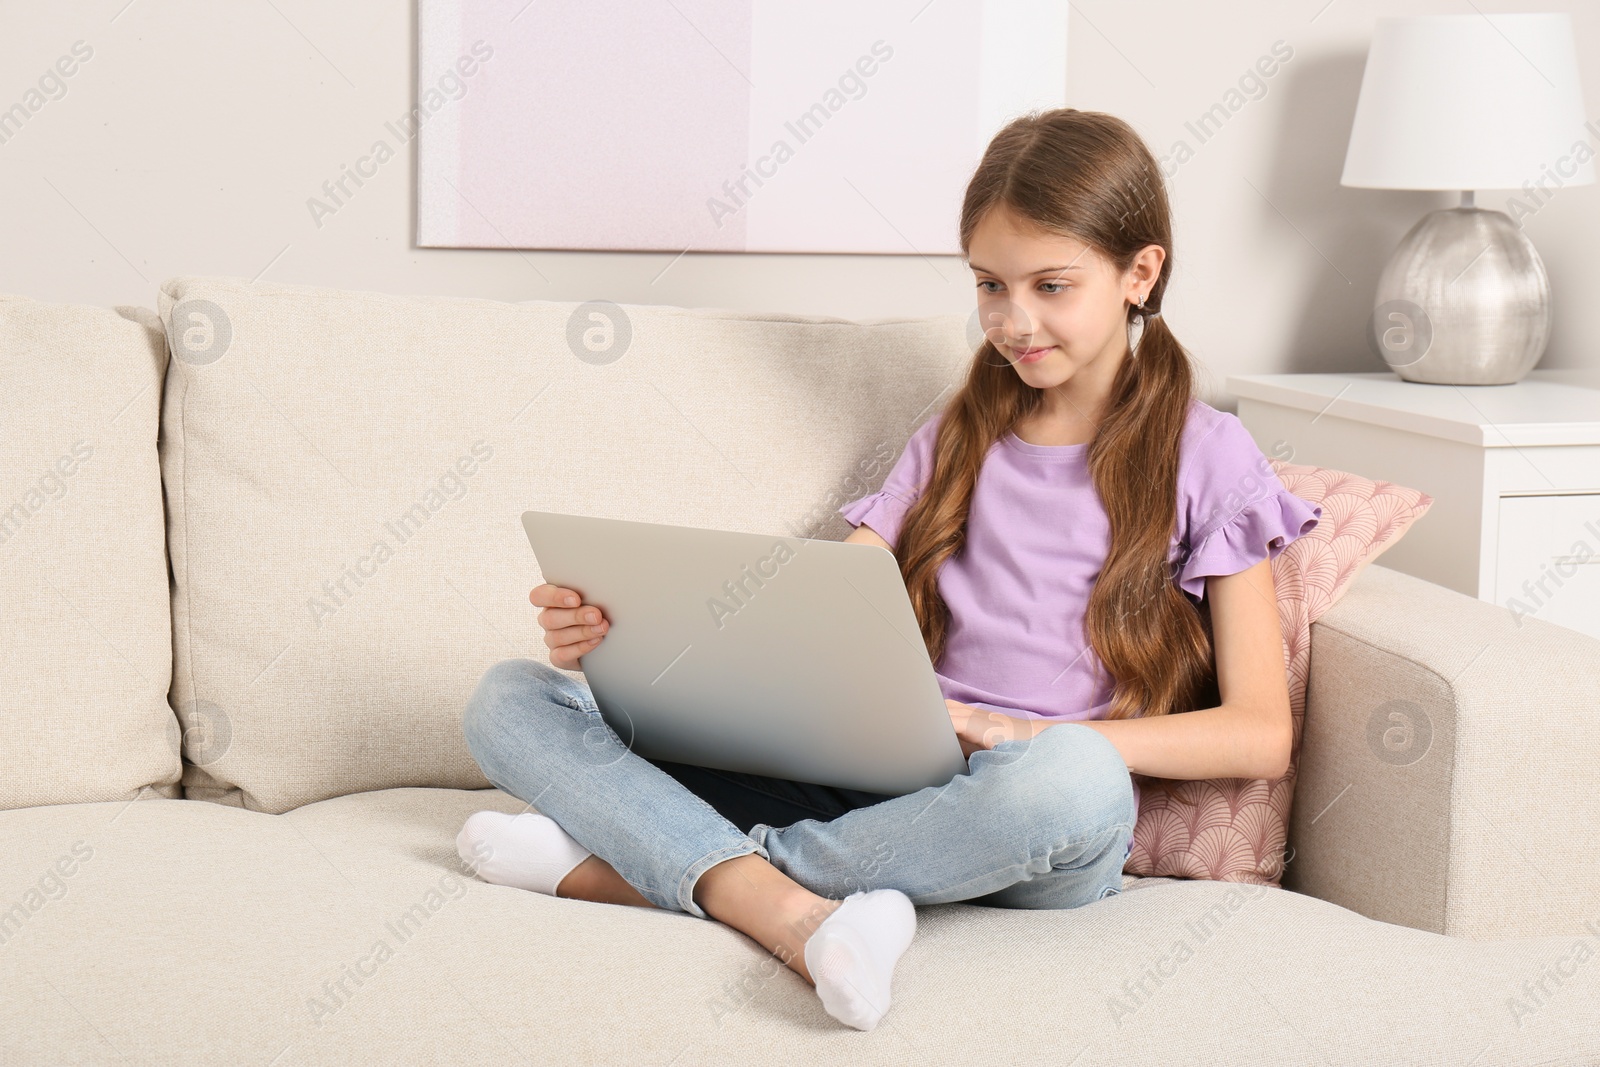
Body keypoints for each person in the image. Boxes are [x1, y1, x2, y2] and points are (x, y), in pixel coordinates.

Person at [456, 107, 1322, 1033]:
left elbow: (1259, 733)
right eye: (991, 284)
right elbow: (810, 624)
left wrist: (1028, 733)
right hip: (880, 779)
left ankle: (656, 867)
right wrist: (623, 650)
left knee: (1078, 780)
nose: (1013, 320)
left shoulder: (1211, 455)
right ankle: (798, 910)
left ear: (1138, 273)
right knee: (510, 696)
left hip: (1023, 815)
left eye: (1051, 285)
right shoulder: (957, 433)